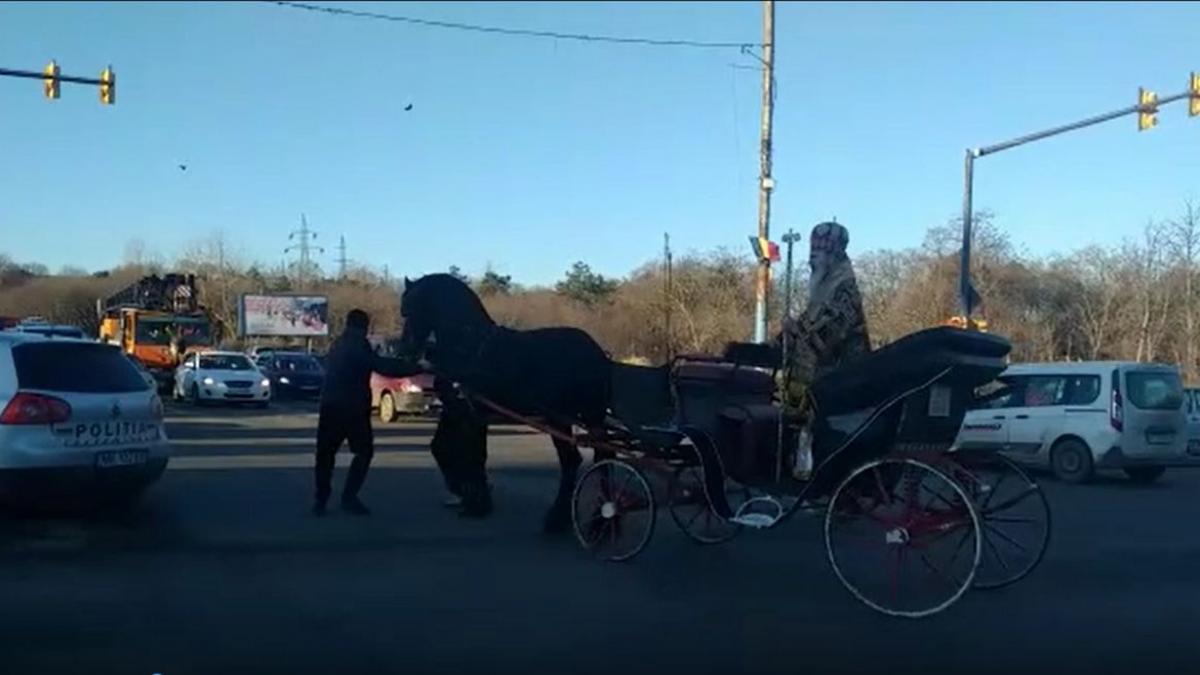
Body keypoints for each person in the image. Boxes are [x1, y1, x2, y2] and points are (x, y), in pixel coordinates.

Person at [775, 221, 871, 478]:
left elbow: (826, 337)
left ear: (835, 254)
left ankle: (810, 474)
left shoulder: (843, 290)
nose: (813, 259)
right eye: (812, 254)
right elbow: (808, 325)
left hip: (841, 382)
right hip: (826, 382)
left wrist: (794, 332)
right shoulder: (823, 290)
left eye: (821, 254)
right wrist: (782, 338)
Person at [314, 308, 421, 516]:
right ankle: (349, 497)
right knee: (363, 452)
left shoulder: (337, 344)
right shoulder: (357, 346)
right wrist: (415, 367)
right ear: (364, 327)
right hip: (353, 408)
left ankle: (321, 499)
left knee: (325, 455)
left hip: (330, 405)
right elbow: (381, 366)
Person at [429, 376, 492, 518]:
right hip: (455, 406)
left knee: (471, 455)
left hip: (469, 408)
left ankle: (477, 499)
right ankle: (463, 490)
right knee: (441, 448)